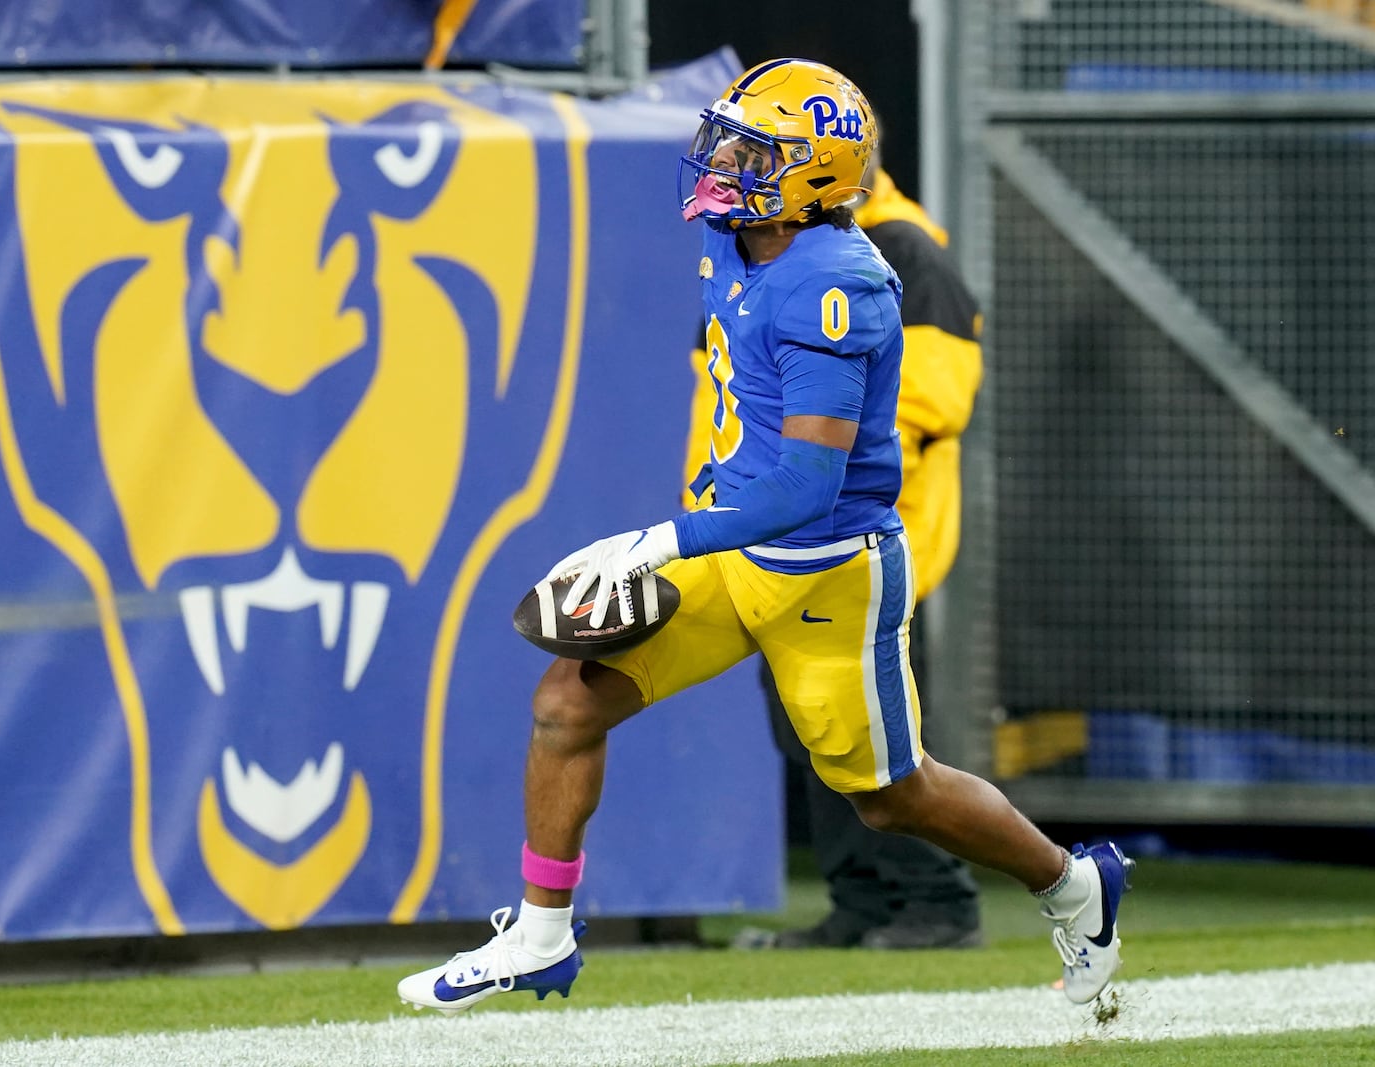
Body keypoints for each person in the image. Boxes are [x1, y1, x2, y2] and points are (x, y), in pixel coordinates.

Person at [396, 58, 1132, 1016]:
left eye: (755, 150)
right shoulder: (735, 240)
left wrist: (660, 540)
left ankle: (1075, 885)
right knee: (566, 704)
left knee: (890, 794)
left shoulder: (843, 283)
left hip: (826, 571)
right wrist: (691, 522)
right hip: (732, 552)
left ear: (816, 174)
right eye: (729, 137)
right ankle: (540, 933)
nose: (725, 159)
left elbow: (804, 484)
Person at [681, 163, 987, 950]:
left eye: (756, 154)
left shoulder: (896, 255)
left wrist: (837, 523)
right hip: (761, 529)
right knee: (804, 724)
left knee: (874, 737)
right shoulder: (749, 250)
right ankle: (863, 900)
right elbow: (728, 401)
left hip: (847, 534)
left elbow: (922, 406)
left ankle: (939, 900)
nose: (731, 170)